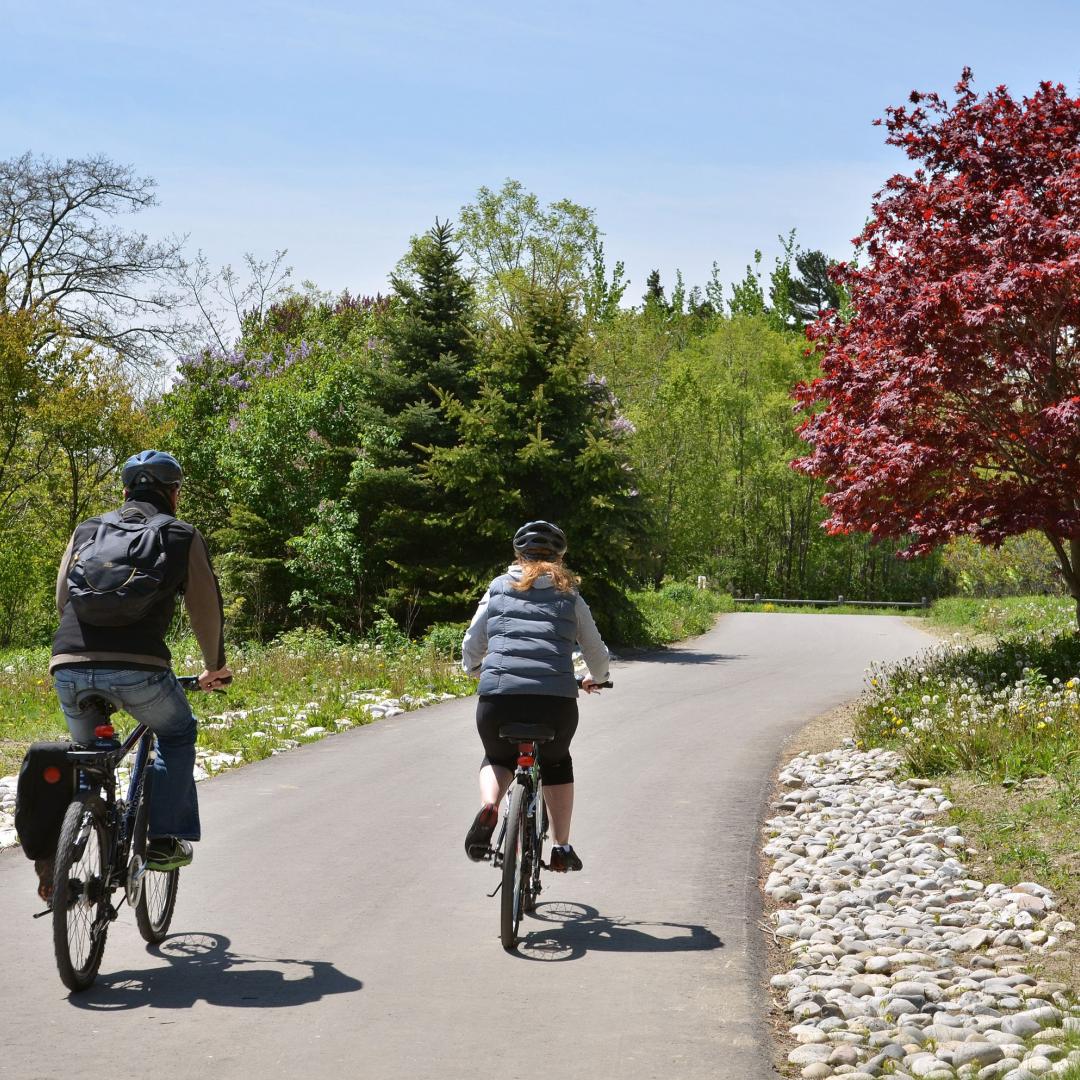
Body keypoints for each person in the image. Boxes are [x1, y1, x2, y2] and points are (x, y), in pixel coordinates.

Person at [40, 450, 231, 900]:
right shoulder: (181, 534)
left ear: (125, 492)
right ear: (174, 493)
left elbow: (62, 600)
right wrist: (214, 665)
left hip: (68, 662)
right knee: (178, 731)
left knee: (90, 755)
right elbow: (205, 608)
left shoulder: (88, 529)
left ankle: (74, 836)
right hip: (141, 668)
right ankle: (164, 839)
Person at [461, 520, 610, 872]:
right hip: (554, 704)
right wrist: (597, 678)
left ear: (518, 554)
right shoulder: (569, 593)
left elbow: (472, 642)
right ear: (560, 558)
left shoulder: (498, 587)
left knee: (497, 758)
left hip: (499, 699)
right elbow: (596, 650)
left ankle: (490, 806)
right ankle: (561, 847)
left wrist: (474, 670)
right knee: (557, 764)